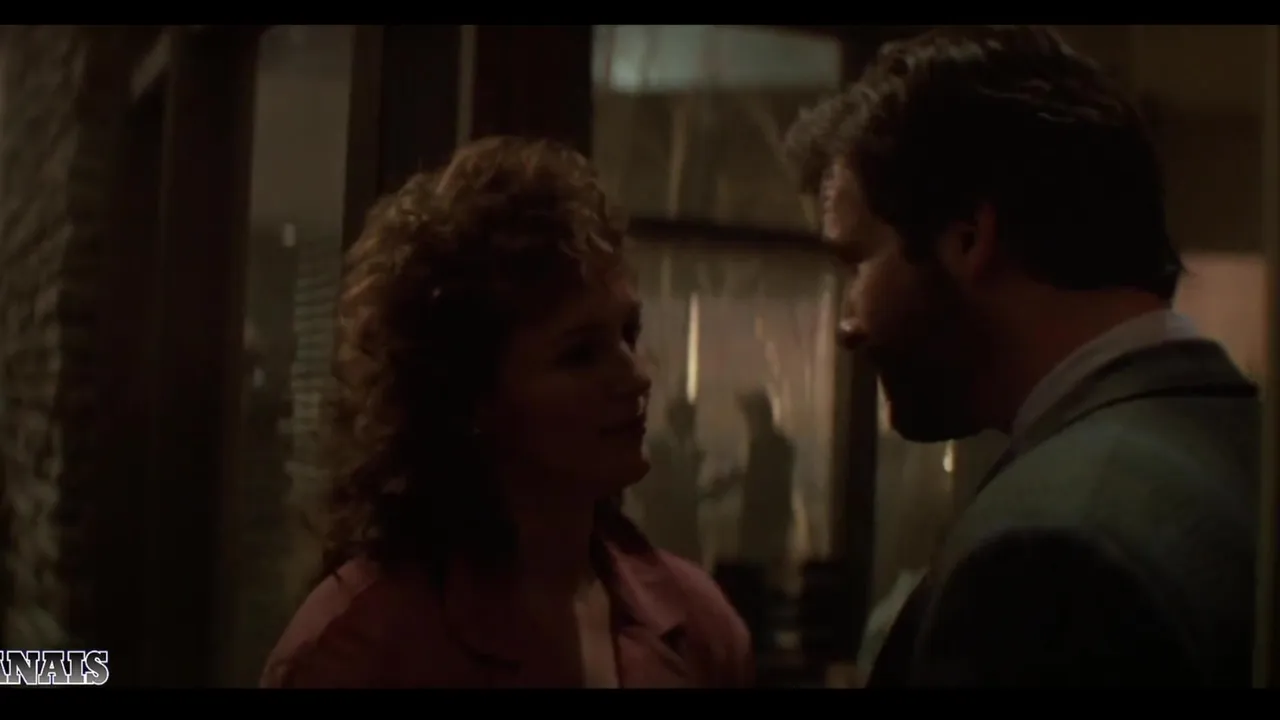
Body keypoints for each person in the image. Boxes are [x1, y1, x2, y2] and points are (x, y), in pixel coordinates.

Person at [785, 25, 1259, 686]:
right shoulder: (1244, 444)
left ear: (969, 239)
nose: (846, 324)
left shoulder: (1047, 559)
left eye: (857, 261)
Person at [261, 137, 753, 688]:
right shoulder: (362, 648)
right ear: (470, 394)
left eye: (628, 334)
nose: (636, 376)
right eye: (579, 354)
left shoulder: (698, 627)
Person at [635, 396, 705, 562]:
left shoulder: (692, 450)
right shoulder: (658, 447)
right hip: (663, 526)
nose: (689, 424)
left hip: (684, 526)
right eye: (686, 419)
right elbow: (642, 486)